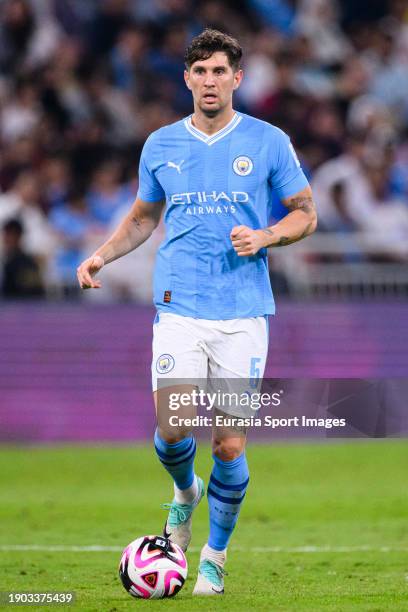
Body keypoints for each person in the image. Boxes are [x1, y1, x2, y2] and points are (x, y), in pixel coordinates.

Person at [77, 29, 317, 596]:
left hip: (242, 311)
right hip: (178, 305)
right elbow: (142, 218)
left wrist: (266, 236)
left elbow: (304, 214)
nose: (210, 81)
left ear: (237, 78)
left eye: (220, 71)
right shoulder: (160, 145)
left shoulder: (268, 141)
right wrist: (100, 255)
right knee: (173, 424)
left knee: (229, 445)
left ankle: (214, 556)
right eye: (200, 71)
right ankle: (186, 492)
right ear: (186, 79)